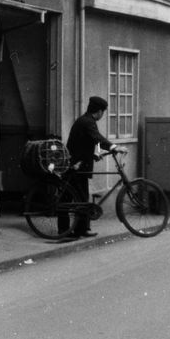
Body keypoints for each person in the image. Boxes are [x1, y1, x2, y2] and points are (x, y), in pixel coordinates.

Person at [64, 96, 117, 238]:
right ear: (99, 111)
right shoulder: (88, 122)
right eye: (103, 112)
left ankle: (81, 229)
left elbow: (86, 142)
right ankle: (67, 231)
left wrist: (93, 154)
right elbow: (97, 137)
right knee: (74, 199)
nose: (102, 115)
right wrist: (113, 146)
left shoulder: (86, 120)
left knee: (81, 198)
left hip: (79, 164)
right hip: (76, 166)